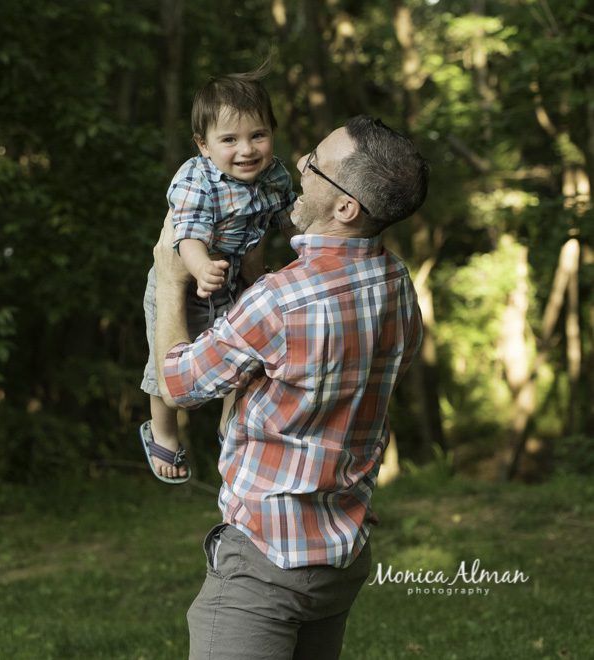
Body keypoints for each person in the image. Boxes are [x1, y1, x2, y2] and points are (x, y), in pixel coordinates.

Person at [152, 115, 429, 659]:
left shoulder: (280, 300)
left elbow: (179, 384)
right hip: (342, 558)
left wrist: (168, 279)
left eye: (316, 165)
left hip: (264, 563)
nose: (299, 164)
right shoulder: (397, 284)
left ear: (345, 208)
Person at [140, 67, 297, 484]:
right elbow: (186, 234)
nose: (246, 150)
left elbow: (288, 217)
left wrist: (303, 244)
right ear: (203, 145)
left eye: (258, 135)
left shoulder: (275, 175)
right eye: (229, 140)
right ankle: (163, 432)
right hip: (188, 278)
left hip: (231, 278)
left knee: (245, 355)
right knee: (165, 365)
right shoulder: (197, 178)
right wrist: (200, 268)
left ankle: (232, 422)